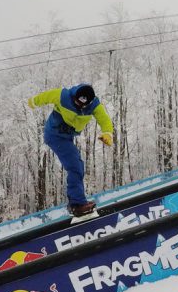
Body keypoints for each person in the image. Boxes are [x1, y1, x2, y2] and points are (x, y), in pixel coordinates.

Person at [28, 83, 114, 218]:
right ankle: (77, 205)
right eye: (77, 103)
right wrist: (33, 102)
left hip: (67, 138)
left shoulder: (94, 105)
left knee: (78, 165)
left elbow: (104, 119)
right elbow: (44, 97)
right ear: (74, 96)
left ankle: (75, 203)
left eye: (83, 105)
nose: (79, 107)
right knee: (75, 166)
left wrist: (107, 133)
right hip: (54, 136)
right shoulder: (63, 95)